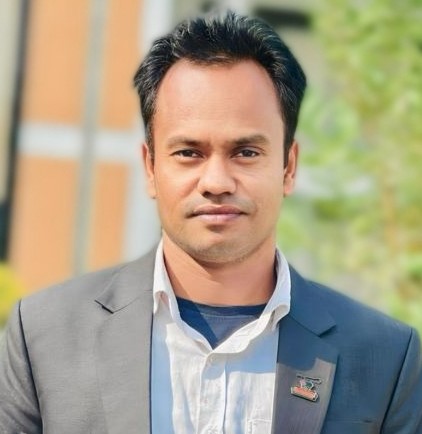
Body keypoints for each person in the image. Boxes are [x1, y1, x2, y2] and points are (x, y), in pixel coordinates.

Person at [0, 10, 421, 434]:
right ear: (150, 167)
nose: (216, 182)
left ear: (288, 167)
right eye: (189, 153)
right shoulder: (43, 338)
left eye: (246, 153)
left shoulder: (385, 358)